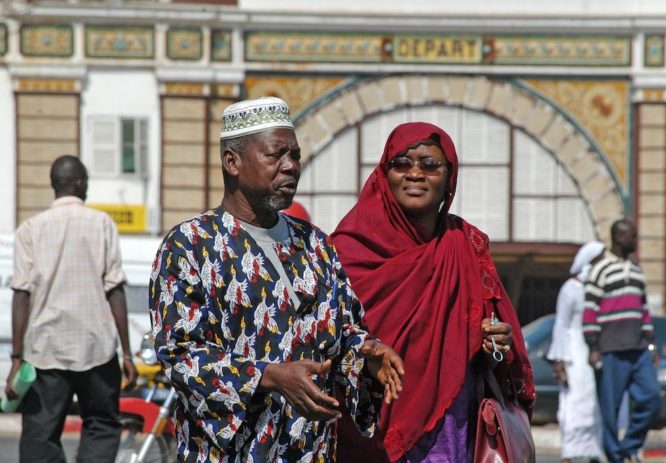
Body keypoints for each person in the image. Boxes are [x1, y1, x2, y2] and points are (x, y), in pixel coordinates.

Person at [149, 96, 405, 462]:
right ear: (232, 161)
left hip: (310, 450)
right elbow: (180, 354)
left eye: (296, 156)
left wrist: (368, 354)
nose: (291, 167)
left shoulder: (315, 244)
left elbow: (344, 331)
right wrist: (269, 376)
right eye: (276, 155)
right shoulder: (191, 244)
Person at [331, 122, 535, 462]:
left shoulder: (467, 245)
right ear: (384, 173)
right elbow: (323, 339)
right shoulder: (347, 250)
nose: (415, 174)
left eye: (430, 165)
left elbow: (495, 332)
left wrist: (495, 343)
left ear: (449, 178)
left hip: (449, 428)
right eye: (401, 163)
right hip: (366, 429)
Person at [5, 155, 137, 463]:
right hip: (98, 351)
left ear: (54, 185)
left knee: (40, 436)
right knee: (102, 426)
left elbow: (21, 296)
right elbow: (114, 289)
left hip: (45, 352)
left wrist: (16, 358)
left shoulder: (29, 230)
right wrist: (127, 352)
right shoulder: (102, 223)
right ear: (79, 183)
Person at [583, 219, 660, 463]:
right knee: (610, 410)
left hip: (638, 349)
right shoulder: (600, 269)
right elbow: (590, 309)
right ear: (619, 237)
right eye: (632, 237)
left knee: (651, 397)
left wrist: (651, 343)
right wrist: (593, 346)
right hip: (610, 349)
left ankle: (629, 446)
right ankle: (615, 456)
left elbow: (644, 309)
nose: (636, 242)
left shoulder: (637, 270)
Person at [547, 241, 605, 463]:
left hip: (595, 352)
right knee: (574, 403)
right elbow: (561, 324)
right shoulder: (570, 288)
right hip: (574, 353)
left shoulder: (599, 287)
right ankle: (569, 454)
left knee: (595, 404)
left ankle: (594, 452)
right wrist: (559, 359)